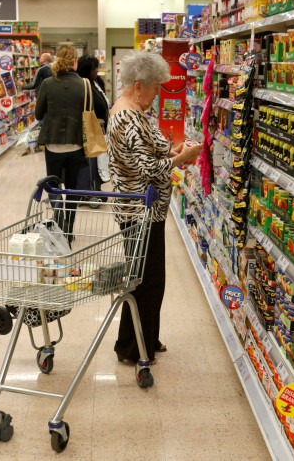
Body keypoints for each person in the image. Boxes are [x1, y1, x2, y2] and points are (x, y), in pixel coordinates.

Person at [107, 52, 202, 364]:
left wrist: (173, 149)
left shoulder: (131, 111)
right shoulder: (126, 117)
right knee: (145, 281)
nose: (157, 94)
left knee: (145, 278)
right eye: (155, 88)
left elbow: (146, 151)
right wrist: (180, 160)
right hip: (139, 212)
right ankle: (135, 348)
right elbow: (148, 168)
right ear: (138, 86)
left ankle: (141, 338)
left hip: (145, 209)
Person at [35, 45, 108, 240]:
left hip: (53, 144)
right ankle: (69, 230)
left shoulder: (48, 84)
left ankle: (58, 224)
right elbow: (90, 111)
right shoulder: (84, 84)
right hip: (77, 144)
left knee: (54, 185)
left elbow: (38, 114)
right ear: (74, 62)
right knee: (72, 188)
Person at [75, 54, 109, 207]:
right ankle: (87, 193)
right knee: (90, 164)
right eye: (95, 69)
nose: (97, 72)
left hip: (97, 130)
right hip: (90, 131)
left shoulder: (94, 83)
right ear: (87, 70)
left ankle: (95, 190)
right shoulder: (83, 85)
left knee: (96, 164)